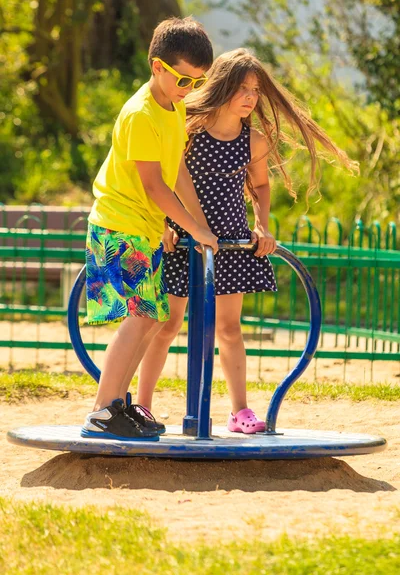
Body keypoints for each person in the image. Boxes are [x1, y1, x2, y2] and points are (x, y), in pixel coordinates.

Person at [137, 48, 358, 433]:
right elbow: (165, 180)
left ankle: (240, 411)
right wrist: (168, 225)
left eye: (255, 90)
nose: (251, 97)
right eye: (242, 88)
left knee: (230, 328)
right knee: (166, 324)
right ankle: (142, 406)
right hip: (186, 239)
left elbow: (259, 185)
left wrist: (263, 226)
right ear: (222, 86)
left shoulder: (252, 140)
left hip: (230, 242)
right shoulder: (188, 126)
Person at [81, 17, 218, 441]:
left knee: (152, 317)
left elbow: (177, 175)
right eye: (182, 79)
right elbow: (153, 185)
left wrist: (201, 225)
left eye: (198, 83)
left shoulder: (173, 109)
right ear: (157, 67)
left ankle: (119, 405)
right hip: (118, 224)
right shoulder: (140, 114)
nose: (188, 90)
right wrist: (193, 228)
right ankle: (103, 410)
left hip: (142, 228)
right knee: (140, 318)